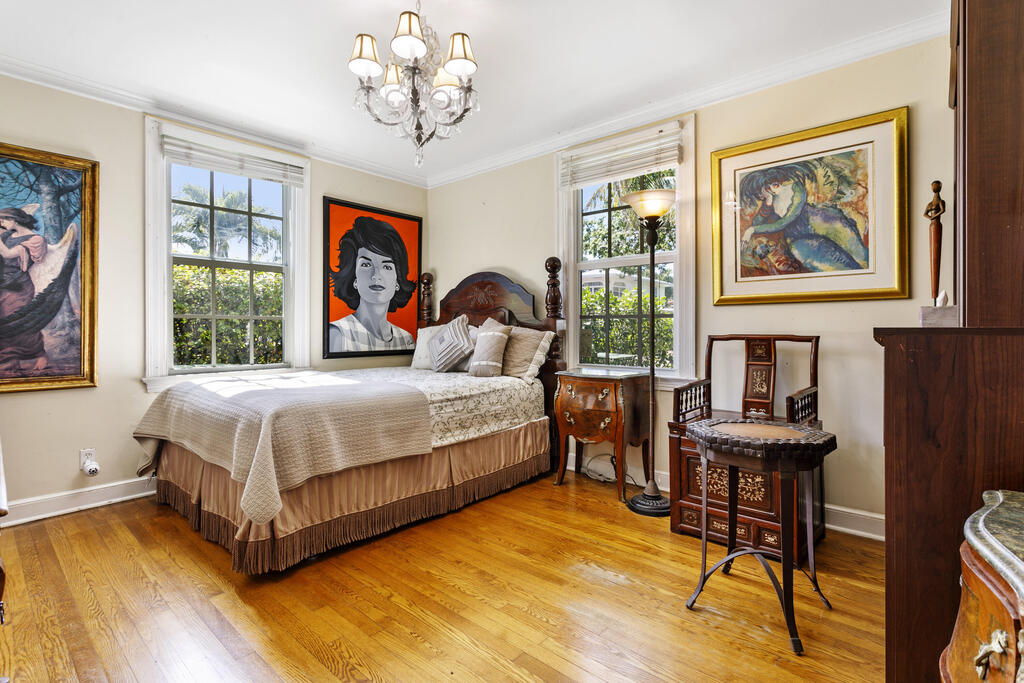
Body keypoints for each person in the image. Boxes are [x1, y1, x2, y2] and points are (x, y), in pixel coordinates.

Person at [738, 160, 869, 277]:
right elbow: (757, 222)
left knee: (861, 256)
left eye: (773, 184)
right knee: (837, 264)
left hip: (822, 221)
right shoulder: (771, 202)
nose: (771, 190)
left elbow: (786, 220)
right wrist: (767, 204)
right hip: (798, 238)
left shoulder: (795, 188)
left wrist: (751, 230)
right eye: (766, 189)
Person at [328, 216, 417, 353]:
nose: (376, 275)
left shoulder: (406, 340)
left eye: (387, 267)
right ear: (354, 278)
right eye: (366, 264)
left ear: (397, 282)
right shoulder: (338, 334)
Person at [0, 207, 49, 371]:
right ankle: (10, 358)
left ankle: (39, 354)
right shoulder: (7, 235)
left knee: (18, 320)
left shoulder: (36, 240)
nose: (1, 224)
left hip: (19, 285)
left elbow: (7, 254)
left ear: (14, 219)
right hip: (3, 283)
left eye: (3, 220)